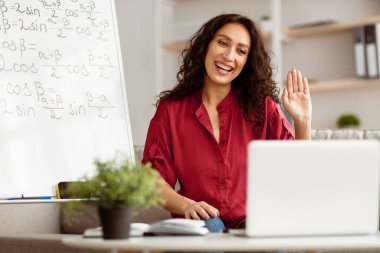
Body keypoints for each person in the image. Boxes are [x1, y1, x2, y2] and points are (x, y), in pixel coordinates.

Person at [142, 13, 312, 229]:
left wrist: (302, 121)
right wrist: (186, 205)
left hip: (254, 221)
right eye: (223, 43)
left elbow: (297, 172)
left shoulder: (264, 108)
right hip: (200, 223)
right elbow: (152, 182)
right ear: (206, 45)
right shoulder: (170, 111)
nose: (229, 56)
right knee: (211, 226)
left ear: (247, 61)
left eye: (241, 51)